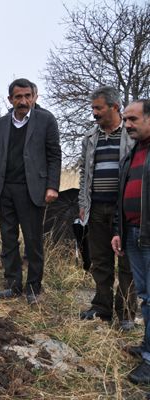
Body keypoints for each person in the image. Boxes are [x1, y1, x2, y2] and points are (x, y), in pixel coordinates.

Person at [0, 78, 61, 305]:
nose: (23, 101)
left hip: (32, 191)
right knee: (8, 239)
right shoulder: (0, 124)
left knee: (33, 241)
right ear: (10, 99)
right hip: (4, 190)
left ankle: (34, 288)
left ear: (34, 97)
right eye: (18, 97)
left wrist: (52, 186)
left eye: (28, 96)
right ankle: (13, 285)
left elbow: (54, 155)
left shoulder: (46, 120)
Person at [78, 86, 136, 330]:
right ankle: (102, 308)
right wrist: (83, 203)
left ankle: (125, 314)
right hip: (96, 208)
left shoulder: (132, 135)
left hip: (123, 210)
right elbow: (84, 174)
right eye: (93, 108)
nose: (94, 113)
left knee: (126, 262)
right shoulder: (90, 138)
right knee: (100, 260)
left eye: (98, 108)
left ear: (114, 107)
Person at [111, 99, 150, 384]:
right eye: (125, 120)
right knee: (146, 297)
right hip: (133, 234)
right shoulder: (132, 153)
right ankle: (148, 347)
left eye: (133, 120)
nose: (127, 125)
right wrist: (118, 231)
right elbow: (121, 195)